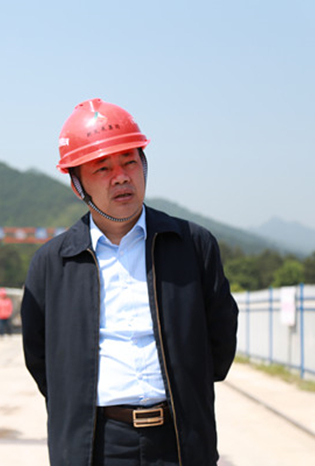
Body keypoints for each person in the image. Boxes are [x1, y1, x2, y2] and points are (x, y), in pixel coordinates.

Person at [20, 98, 239, 465]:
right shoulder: (53, 263)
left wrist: (187, 387)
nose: (121, 177)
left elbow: (221, 343)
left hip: (181, 441)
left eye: (130, 162)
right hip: (97, 445)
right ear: (77, 185)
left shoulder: (192, 245)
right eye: (102, 168)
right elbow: (40, 359)